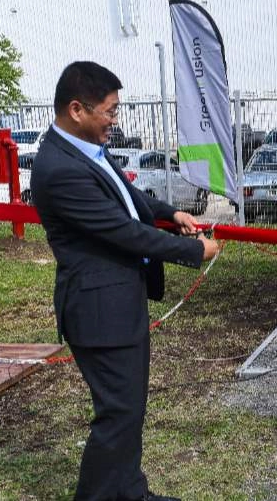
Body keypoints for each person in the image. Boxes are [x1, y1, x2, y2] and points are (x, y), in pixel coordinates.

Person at [31, 61, 220, 501]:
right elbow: (123, 231)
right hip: (99, 311)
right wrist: (195, 251)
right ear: (77, 109)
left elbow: (128, 197)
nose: (114, 121)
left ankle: (131, 492)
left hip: (119, 303)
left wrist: (170, 213)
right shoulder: (60, 169)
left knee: (129, 410)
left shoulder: (85, 149)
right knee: (117, 414)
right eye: (110, 112)